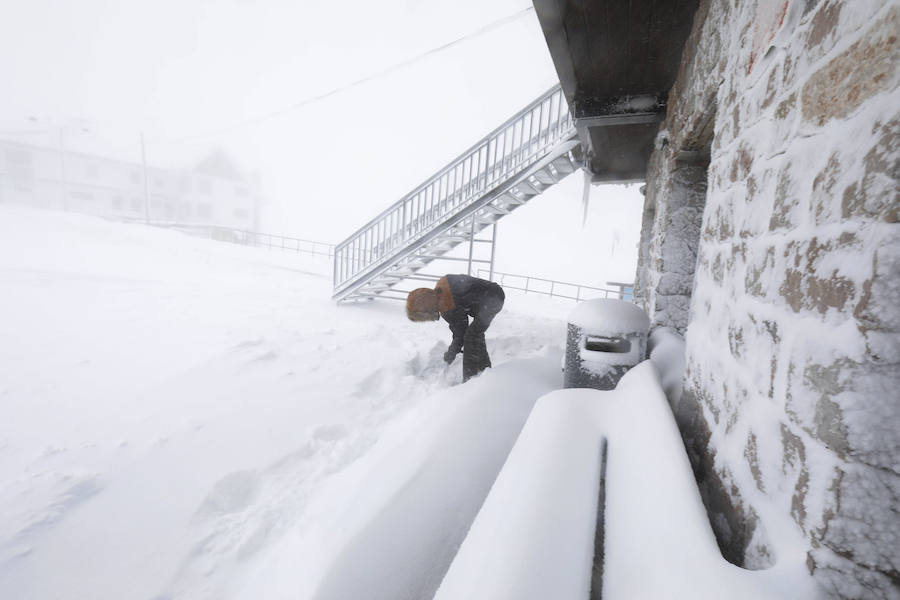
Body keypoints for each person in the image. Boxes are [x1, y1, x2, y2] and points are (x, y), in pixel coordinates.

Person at [406, 274, 505, 382]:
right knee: (475, 335)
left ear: (426, 309)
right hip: (493, 293)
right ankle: (485, 371)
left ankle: (470, 380)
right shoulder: (442, 287)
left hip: (492, 300)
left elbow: (460, 335)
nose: (429, 319)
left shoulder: (447, 304)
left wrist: (450, 355)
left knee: (471, 336)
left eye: (425, 317)